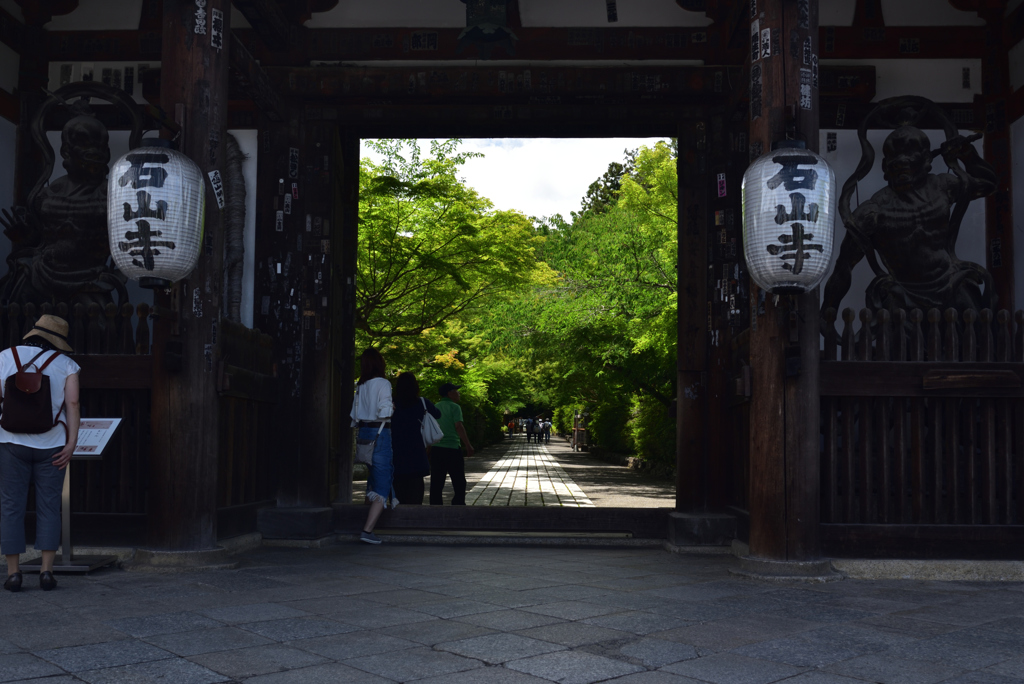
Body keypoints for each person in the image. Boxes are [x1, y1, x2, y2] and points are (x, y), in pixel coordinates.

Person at [1, 315, 81, 592]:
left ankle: (13, 573)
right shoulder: (66, 364)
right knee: (49, 507)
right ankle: (46, 571)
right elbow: (73, 403)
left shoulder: (4, 357)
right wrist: (71, 444)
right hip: (53, 445)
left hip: (11, 443)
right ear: (58, 339)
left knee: (11, 507)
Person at [349, 348, 394, 544]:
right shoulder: (383, 383)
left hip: (364, 434)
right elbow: (385, 411)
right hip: (380, 433)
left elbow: (354, 416)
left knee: (373, 478)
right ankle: (367, 530)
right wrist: (392, 408)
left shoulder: (361, 385)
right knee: (383, 482)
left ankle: (365, 523)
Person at [390, 372, 441, 506]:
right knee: (415, 495)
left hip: (395, 452)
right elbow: (437, 414)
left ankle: (398, 521)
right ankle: (413, 522)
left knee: (397, 494)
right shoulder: (422, 403)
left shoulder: (391, 403)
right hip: (417, 453)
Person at [430, 382, 474, 506]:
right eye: (456, 390)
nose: (458, 393)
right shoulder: (455, 407)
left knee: (437, 481)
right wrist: (468, 445)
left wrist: (428, 447)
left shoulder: (434, 407)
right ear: (449, 393)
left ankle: (435, 507)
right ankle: (458, 504)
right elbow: (458, 426)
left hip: (437, 448)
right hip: (452, 448)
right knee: (459, 481)